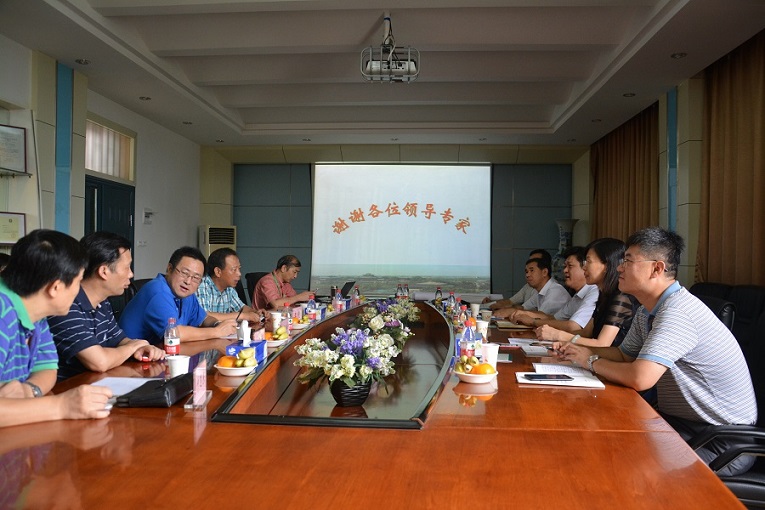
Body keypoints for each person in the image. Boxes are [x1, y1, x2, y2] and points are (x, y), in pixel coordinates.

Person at [558, 227, 757, 476]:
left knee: (622, 468)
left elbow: (640, 378)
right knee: (600, 442)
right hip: (683, 425)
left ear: (657, 269)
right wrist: (577, 350)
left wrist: (589, 360)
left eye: (628, 261)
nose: (619, 268)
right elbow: (624, 355)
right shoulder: (648, 310)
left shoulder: (677, 312)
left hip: (721, 441)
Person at [0, 229, 112, 427]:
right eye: (78, 282)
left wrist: (29, 390)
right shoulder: (3, 311)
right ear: (55, 288)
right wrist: (61, 406)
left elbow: (47, 368)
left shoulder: (35, 309)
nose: (79, 291)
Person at [48, 232, 165, 380]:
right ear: (104, 271)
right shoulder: (66, 306)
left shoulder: (102, 302)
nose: (131, 274)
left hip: (96, 384)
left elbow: (119, 339)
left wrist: (142, 347)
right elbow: (99, 362)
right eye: (127, 267)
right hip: (68, 389)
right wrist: (132, 347)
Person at [119, 246, 238, 345]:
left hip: (160, 354)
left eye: (196, 278)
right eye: (184, 273)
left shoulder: (186, 294)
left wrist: (217, 324)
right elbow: (174, 333)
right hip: (130, 360)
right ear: (169, 269)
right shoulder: (158, 291)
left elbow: (203, 318)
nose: (188, 281)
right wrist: (217, 331)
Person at [537, 238, 638, 347]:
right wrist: (557, 338)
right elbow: (587, 332)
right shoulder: (603, 294)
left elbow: (602, 344)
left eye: (588, 262)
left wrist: (559, 335)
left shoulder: (621, 297)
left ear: (607, 265)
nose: (584, 267)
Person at [506, 246, 598, 332]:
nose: (565, 270)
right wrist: (528, 315)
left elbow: (573, 326)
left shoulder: (594, 291)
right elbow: (555, 318)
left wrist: (533, 321)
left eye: (570, 266)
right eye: (565, 266)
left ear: (585, 268)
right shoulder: (577, 296)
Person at [196, 247, 264, 324]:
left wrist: (256, 313)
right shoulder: (201, 286)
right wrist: (242, 316)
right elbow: (204, 316)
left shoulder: (229, 289)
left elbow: (241, 308)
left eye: (239, 269)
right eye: (234, 269)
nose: (239, 274)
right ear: (218, 272)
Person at [495, 256, 569, 317]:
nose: (527, 275)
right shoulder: (539, 291)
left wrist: (512, 311)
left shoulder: (555, 291)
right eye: (526, 272)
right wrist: (505, 310)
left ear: (544, 272)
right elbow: (523, 308)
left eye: (532, 270)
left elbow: (541, 316)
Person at [487, 249, 552, 310]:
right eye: (527, 271)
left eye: (532, 270)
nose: (527, 275)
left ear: (545, 271)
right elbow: (522, 307)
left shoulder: (553, 291)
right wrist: (491, 304)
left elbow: (543, 315)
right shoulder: (535, 290)